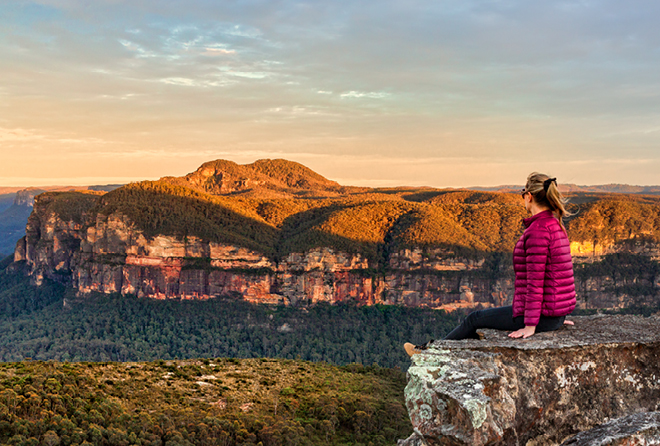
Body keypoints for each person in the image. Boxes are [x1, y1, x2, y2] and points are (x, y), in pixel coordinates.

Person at [405, 173, 576, 355]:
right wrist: (558, 314)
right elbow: (561, 273)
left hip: (542, 316)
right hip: (552, 314)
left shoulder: (538, 231)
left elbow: (536, 282)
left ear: (529, 196)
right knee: (478, 319)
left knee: (474, 319)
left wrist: (531, 325)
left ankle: (430, 353)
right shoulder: (555, 224)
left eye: (522, 193)